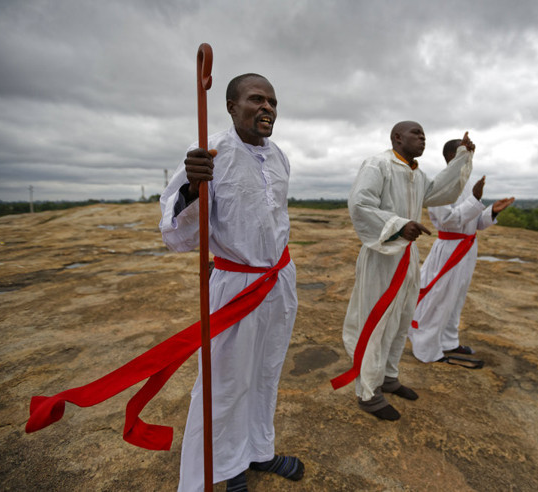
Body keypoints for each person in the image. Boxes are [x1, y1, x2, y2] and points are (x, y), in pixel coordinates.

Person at [159, 73, 303, 492]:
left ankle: (259, 450)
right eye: (257, 99)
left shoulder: (279, 156)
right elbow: (176, 234)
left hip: (278, 283)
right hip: (236, 288)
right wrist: (191, 186)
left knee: (265, 372)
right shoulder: (208, 154)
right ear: (230, 105)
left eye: (273, 101)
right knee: (225, 383)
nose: (268, 108)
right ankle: (228, 466)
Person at [332, 121, 474, 420]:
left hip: (407, 256)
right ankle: (367, 392)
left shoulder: (417, 174)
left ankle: (388, 377)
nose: (423, 138)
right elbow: (360, 204)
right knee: (376, 320)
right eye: (416, 133)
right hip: (381, 255)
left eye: (424, 134)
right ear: (397, 137)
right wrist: (399, 225)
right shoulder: (378, 165)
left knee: (401, 318)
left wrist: (463, 157)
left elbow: (440, 192)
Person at [407, 139, 515, 367]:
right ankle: (426, 348)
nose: (470, 158)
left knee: (456, 298)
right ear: (452, 156)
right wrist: (475, 200)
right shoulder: (441, 183)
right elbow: (448, 220)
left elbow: (474, 222)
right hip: (449, 248)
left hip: (467, 248)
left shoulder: (465, 182)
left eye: (472, 154)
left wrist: (490, 212)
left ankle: (448, 341)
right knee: (440, 297)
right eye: (467, 153)